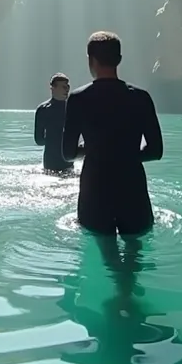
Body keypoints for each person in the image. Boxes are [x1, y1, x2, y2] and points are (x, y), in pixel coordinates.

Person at [61, 31, 163, 237]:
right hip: (132, 185)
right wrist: (127, 154)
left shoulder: (78, 99)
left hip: (95, 187)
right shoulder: (141, 98)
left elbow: (68, 153)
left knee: (103, 252)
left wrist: (95, 150)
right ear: (119, 60)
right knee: (135, 253)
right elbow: (156, 151)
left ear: (91, 60)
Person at [35, 73, 74, 173]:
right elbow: (38, 140)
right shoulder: (44, 109)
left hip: (62, 160)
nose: (67, 89)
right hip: (55, 161)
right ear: (53, 88)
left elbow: (39, 140)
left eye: (68, 86)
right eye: (64, 87)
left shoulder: (43, 109)